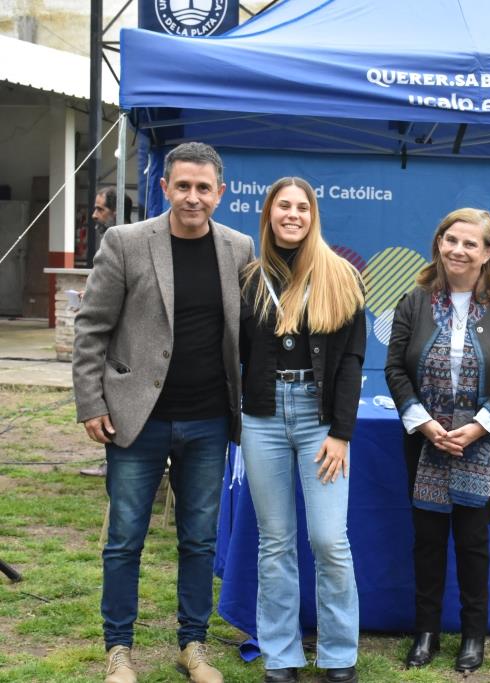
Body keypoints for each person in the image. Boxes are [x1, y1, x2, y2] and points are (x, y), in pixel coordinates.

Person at [72, 142, 254, 683]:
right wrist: (91, 403)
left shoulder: (239, 248)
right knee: (125, 537)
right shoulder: (125, 242)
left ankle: (192, 646)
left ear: (220, 192)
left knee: (199, 539)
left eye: (203, 187)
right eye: (183, 186)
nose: (192, 197)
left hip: (209, 421)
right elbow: (92, 329)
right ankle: (119, 650)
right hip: (136, 419)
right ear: (164, 187)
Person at [385, 208, 490, 673]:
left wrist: (481, 425)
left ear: (488, 253)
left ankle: (473, 637)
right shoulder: (414, 301)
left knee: (473, 541)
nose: (458, 250)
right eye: (450, 240)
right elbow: (393, 368)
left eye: (470, 243)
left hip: (481, 442)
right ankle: (425, 634)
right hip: (425, 438)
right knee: (427, 540)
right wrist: (423, 422)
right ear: (438, 244)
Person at [238, 178, 366, 683]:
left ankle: (338, 655)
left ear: (314, 216)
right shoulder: (248, 278)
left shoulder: (343, 276)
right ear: (268, 213)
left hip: (320, 421)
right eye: (283, 206)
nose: (293, 214)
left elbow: (353, 360)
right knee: (275, 542)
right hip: (262, 417)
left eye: (302, 207)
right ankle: (282, 654)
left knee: (330, 539)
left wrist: (341, 432)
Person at [79, 188, 135, 478]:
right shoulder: (111, 239)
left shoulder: (126, 241)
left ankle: (116, 459)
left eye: (100, 209)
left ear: (115, 211)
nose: (95, 215)